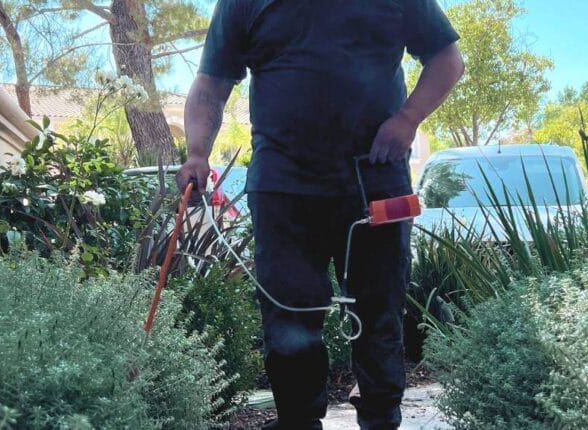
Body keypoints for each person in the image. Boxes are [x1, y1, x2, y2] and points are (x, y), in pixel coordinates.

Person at [177, 1, 463, 428]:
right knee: (288, 317)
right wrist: (197, 152)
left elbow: (447, 59)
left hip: (376, 180)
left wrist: (407, 119)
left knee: (379, 312)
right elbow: (211, 84)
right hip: (282, 188)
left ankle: (382, 419)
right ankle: (298, 421)